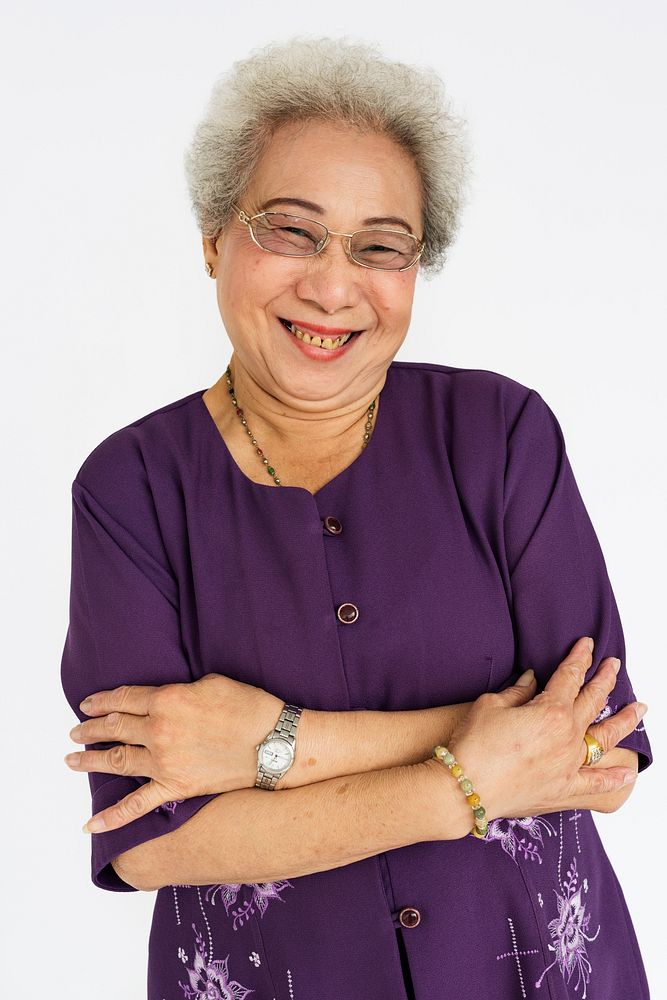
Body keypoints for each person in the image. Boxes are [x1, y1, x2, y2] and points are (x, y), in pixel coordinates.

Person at [60, 36, 653, 1000]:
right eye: (291, 230)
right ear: (214, 236)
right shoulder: (130, 489)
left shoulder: (500, 433)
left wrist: (273, 744)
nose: (334, 286)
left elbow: (597, 753)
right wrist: (475, 776)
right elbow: (151, 844)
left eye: (380, 246)